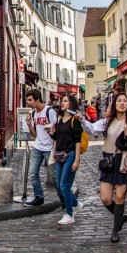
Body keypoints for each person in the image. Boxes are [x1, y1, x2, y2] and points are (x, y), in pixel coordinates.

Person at [82, 92, 127, 243]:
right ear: (114, 104)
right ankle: (120, 218)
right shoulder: (107, 121)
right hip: (109, 160)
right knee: (105, 197)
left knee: (119, 196)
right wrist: (82, 120)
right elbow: (92, 128)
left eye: (124, 101)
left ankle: (115, 230)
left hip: (123, 160)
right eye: (119, 101)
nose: (122, 103)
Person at [52, 93, 84, 224]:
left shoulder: (74, 120)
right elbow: (57, 137)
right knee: (59, 187)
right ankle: (76, 204)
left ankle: (70, 214)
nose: (62, 103)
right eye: (62, 101)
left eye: (65, 101)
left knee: (65, 185)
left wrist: (77, 160)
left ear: (71, 104)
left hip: (70, 154)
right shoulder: (60, 119)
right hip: (60, 155)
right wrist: (51, 134)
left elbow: (78, 142)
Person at [22, 88, 57, 207]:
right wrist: (28, 124)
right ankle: (39, 196)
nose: (28, 103)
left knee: (55, 176)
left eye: (30, 100)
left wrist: (54, 145)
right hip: (37, 146)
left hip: (49, 148)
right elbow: (34, 134)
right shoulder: (33, 113)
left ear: (37, 99)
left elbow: (56, 130)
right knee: (33, 173)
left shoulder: (49, 111)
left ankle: (64, 198)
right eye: (27, 100)